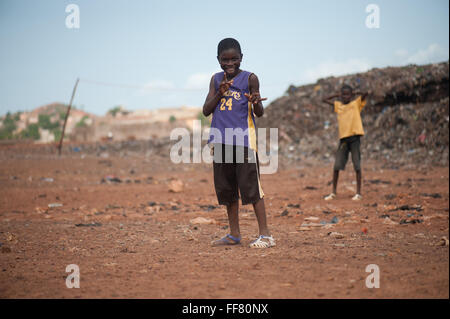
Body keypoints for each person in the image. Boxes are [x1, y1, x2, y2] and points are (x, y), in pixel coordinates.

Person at [202, 38, 275, 248]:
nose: (230, 63)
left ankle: (266, 235)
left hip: (243, 142)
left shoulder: (250, 78)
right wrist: (219, 93)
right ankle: (234, 234)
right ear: (218, 60)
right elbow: (206, 110)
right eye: (225, 60)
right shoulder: (216, 80)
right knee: (227, 190)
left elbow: (259, 113)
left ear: (242, 58)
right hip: (220, 141)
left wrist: (256, 101)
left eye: (234, 59)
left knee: (252, 188)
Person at [322, 84, 369, 201]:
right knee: (336, 166)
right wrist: (337, 95)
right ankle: (333, 192)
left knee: (357, 165)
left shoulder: (355, 104)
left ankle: (358, 193)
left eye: (348, 94)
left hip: (354, 139)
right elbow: (324, 99)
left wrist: (355, 93)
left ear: (351, 95)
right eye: (343, 94)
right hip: (343, 140)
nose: (345, 97)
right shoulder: (338, 106)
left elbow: (366, 93)